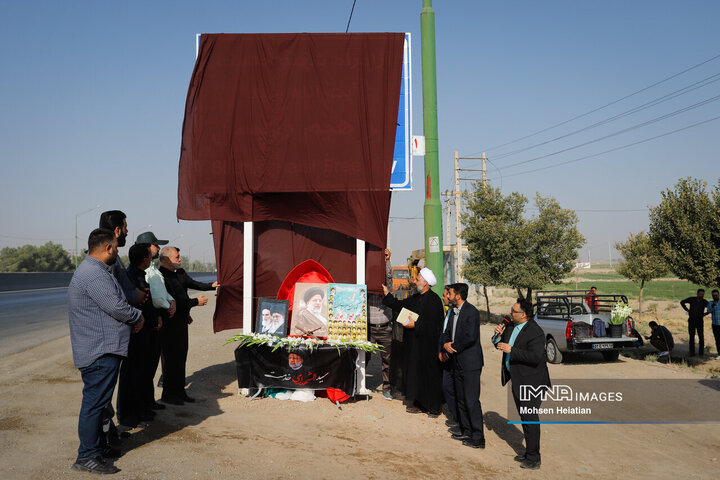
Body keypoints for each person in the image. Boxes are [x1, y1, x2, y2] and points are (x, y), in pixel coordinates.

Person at [68, 228, 144, 474]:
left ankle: (98, 449)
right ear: (108, 248)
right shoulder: (93, 274)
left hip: (102, 349)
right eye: (116, 247)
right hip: (99, 351)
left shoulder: (96, 271)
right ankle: (87, 456)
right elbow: (117, 307)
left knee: (100, 406)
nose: (118, 252)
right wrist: (137, 316)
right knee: (94, 405)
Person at [493, 298, 551, 470]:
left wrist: (513, 351)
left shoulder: (535, 331)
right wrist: (497, 335)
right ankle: (528, 453)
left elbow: (536, 357)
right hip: (518, 379)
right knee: (524, 417)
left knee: (530, 419)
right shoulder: (510, 326)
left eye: (513, 311)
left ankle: (534, 458)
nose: (510, 313)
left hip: (532, 382)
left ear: (524, 315)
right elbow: (499, 344)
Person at [159, 247, 218, 405]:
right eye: (177, 257)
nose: (180, 259)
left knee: (181, 357)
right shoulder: (161, 277)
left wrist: (212, 286)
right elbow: (174, 301)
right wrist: (195, 302)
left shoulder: (180, 273)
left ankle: (179, 391)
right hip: (169, 324)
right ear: (166, 259)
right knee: (171, 360)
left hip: (181, 322)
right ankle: (169, 394)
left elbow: (193, 284)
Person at [382, 267, 444, 415]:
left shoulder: (434, 301)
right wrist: (388, 295)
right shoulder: (415, 298)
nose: (414, 281)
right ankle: (418, 403)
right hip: (414, 345)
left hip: (427, 347)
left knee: (429, 375)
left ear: (425, 283)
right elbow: (401, 305)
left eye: (417, 279)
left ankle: (433, 407)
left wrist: (415, 325)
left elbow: (434, 325)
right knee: (415, 373)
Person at [116, 244, 161, 428]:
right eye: (150, 256)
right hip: (137, 331)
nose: (151, 259)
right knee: (132, 374)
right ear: (145, 260)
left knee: (141, 373)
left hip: (145, 330)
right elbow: (138, 303)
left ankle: (139, 408)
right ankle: (127, 413)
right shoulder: (132, 277)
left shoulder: (138, 275)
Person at [440, 283, 485, 449]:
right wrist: (445, 344)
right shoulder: (452, 312)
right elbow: (446, 333)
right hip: (456, 361)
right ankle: (465, 430)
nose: (448, 295)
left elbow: (470, 337)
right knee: (460, 398)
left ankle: (478, 437)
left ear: (458, 295)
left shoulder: (471, 312)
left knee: (471, 400)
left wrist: (452, 347)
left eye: (450, 293)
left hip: (470, 363)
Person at [135, 232, 175, 412]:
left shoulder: (153, 269)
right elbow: (155, 298)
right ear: (147, 247)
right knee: (143, 368)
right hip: (149, 323)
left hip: (156, 320)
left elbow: (162, 291)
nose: (158, 248)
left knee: (150, 366)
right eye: (156, 245)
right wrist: (167, 305)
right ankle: (141, 405)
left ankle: (148, 401)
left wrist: (170, 301)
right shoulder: (144, 272)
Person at [367, 248, 394, 400]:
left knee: (387, 361)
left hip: (384, 328)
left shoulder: (386, 289)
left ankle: (387, 388)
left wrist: (387, 261)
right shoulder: (367, 289)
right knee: (364, 357)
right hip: (369, 329)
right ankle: (360, 384)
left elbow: (389, 278)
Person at [440, 285, 458, 427]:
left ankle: (459, 419)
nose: (444, 297)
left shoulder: (460, 314)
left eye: (446, 295)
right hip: (446, 355)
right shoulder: (450, 312)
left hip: (455, 356)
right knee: (447, 387)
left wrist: (447, 351)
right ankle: (455, 415)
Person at [680, 289, 708, 357]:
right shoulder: (692, 299)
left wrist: (706, 313)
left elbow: (711, 308)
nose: (701, 295)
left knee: (701, 337)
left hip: (700, 321)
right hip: (691, 320)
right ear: (697, 294)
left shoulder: (704, 302)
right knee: (691, 336)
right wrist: (687, 310)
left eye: (702, 294)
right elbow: (682, 302)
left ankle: (701, 353)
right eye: (700, 294)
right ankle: (692, 353)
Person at [705, 289, 720, 356]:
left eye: (716, 295)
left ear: (718, 295)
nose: (715, 296)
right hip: (715, 324)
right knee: (717, 339)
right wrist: (713, 305)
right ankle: (719, 353)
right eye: (713, 295)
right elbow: (709, 311)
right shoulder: (710, 303)